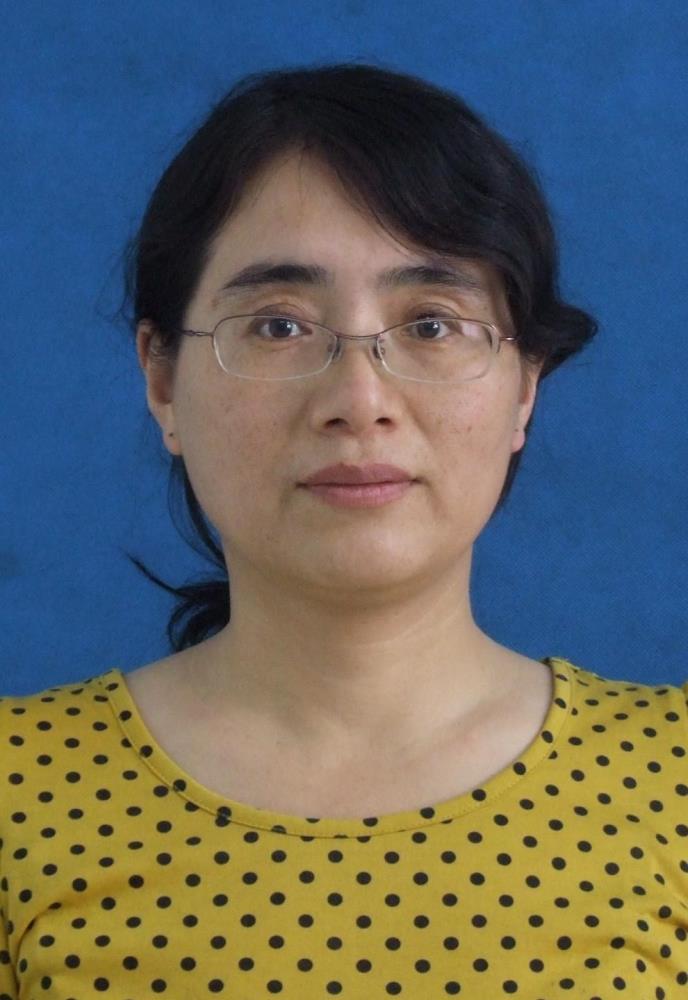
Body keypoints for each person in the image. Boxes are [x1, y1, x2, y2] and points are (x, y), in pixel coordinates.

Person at [1, 63, 686, 999]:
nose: (360, 401)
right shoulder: (20, 790)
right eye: (278, 327)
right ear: (161, 379)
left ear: (526, 384)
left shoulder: (671, 777)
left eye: (433, 325)